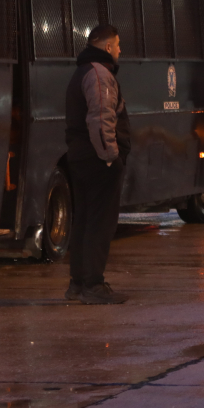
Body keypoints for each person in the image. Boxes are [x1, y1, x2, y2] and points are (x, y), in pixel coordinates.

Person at [63, 24, 131, 304]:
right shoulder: (99, 75)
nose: (120, 50)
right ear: (107, 47)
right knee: (100, 224)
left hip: (81, 157)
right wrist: (111, 158)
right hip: (97, 161)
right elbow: (101, 120)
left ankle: (78, 284)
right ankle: (93, 285)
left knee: (83, 221)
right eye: (117, 45)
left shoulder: (83, 71)